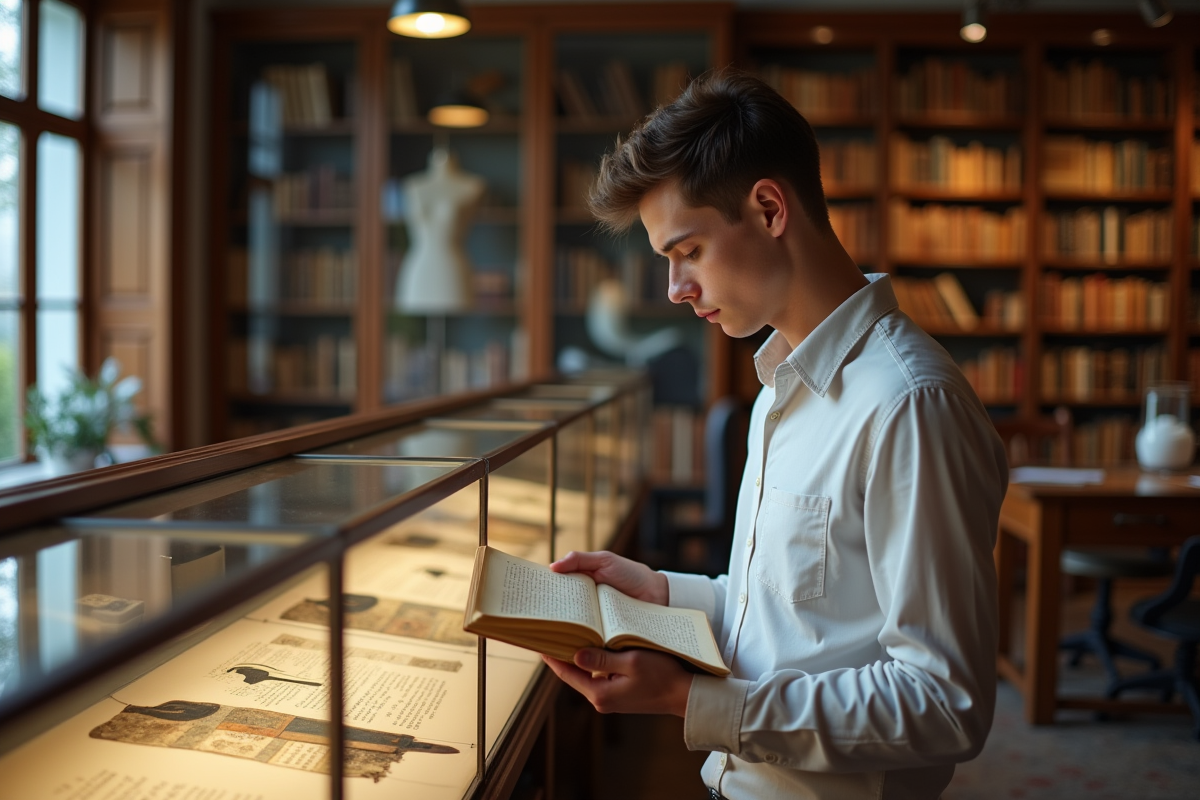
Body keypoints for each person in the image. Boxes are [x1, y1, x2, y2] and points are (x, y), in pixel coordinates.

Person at [541, 70, 1009, 800]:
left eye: (687, 251)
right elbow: (797, 620)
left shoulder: (910, 406)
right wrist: (663, 593)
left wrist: (690, 702)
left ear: (767, 208)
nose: (675, 289)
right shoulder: (778, 387)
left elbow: (943, 704)